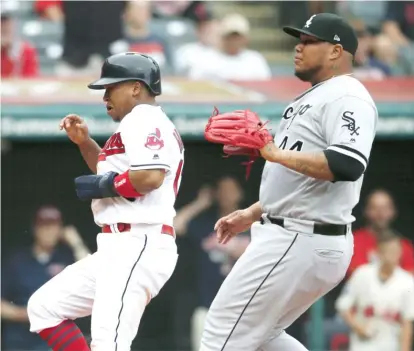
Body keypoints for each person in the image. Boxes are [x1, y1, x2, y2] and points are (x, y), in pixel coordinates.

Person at [200, 13, 378, 350]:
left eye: (310, 42)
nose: (299, 48)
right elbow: (297, 180)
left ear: (336, 52)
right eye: (300, 40)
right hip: (298, 233)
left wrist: (275, 154)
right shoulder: (314, 96)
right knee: (262, 336)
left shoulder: (347, 95)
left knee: (221, 331)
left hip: (301, 236)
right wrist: (252, 213)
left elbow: (347, 164)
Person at [26, 52, 185, 351]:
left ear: (136, 87)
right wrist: (85, 143)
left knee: (108, 343)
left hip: (139, 240)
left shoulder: (146, 119)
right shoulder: (133, 124)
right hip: (117, 245)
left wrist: (105, 186)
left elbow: (150, 177)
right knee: (44, 307)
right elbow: (114, 171)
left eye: (111, 88)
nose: (105, 96)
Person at [174, 178, 250, 351]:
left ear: (240, 193)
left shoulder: (255, 227)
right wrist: (201, 203)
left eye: (230, 189)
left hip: (243, 309)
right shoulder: (207, 225)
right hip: (208, 307)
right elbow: (175, 225)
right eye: (221, 190)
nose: (226, 195)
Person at [1, 205, 89, 351]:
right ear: (35, 228)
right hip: (22, 341)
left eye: (54, 226)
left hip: (58, 338)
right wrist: (28, 314)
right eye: (45, 226)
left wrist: (76, 242)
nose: (49, 232)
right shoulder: (16, 261)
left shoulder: (66, 258)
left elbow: (93, 277)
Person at [335, 235, 414, 351]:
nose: (394, 255)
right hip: (362, 345)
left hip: (391, 345)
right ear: (379, 252)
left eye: (396, 251)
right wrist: (357, 327)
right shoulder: (362, 273)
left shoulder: (407, 281)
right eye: (389, 251)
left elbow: (407, 321)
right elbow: (343, 306)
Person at [348, 189, 414, 277]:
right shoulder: (354, 240)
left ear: (393, 211)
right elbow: (355, 273)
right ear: (366, 211)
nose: (381, 213)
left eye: (385, 208)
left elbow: (411, 274)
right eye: (375, 208)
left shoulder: (404, 245)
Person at [187, 13, 271, 81]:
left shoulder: (255, 60)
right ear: (222, 37)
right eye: (230, 36)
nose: (234, 40)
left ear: (246, 39)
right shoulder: (206, 59)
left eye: (237, 36)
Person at [1, 12, 39, 78]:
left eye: (7, 25)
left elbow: (32, 76)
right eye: (2, 26)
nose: (4, 28)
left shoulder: (27, 49)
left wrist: (11, 52)